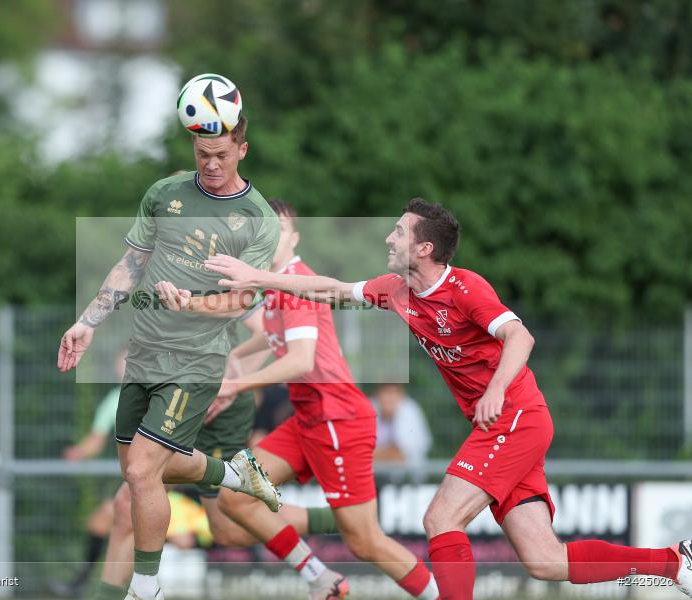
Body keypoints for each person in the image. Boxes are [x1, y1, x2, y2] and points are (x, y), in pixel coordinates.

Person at [201, 197, 692, 599]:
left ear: (424, 248)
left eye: (398, 231)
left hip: (515, 417)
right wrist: (258, 277)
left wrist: (495, 390)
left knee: (440, 518)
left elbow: (520, 337)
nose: (388, 238)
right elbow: (329, 288)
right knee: (545, 561)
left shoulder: (464, 288)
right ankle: (674, 563)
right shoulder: (396, 289)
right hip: (506, 425)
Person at [156, 198, 439, 599]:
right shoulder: (275, 288)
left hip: (337, 420)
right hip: (308, 421)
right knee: (236, 500)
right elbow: (266, 335)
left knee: (364, 542)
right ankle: (321, 579)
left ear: (294, 238)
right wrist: (230, 358)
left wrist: (235, 386)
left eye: (279, 230)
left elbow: (301, 361)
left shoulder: (294, 285)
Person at [57, 107, 284, 600]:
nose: (211, 164)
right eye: (202, 154)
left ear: (242, 150)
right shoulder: (164, 193)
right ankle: (234, 473)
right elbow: (131, 263)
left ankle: (146, 589)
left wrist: (192, 304)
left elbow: (242, 300)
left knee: (142, 472)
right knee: (138, 470)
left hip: (196, 361)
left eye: (221, 154)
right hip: (145, 354)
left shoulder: (258, 219)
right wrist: (87, 321)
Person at [88, 310, 340, 600]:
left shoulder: (221, 283)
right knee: (128, 501)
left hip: (215, 407)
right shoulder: (155, 287)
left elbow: (268, 330)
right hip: (171, 400)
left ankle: (342, 522)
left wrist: (231, 381)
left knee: (228, 528)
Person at [50, 349, 129, 598]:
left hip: (165, 477)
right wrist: (78, 452)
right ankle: (88, 584)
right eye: (121, 363)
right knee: (103, 521)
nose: (123, 368)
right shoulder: (115, 399)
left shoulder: (160, 394)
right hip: (133, 477)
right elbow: (96, 439)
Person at [372, 383, 432, 475]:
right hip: (375, 475)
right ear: (377, 394)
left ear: (401, 395)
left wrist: (373, 454)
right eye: (384, 393)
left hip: (408, 477)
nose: (387, 398)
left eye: (392, 393)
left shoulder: (410, 411)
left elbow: (401, 455)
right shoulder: (370, 407)